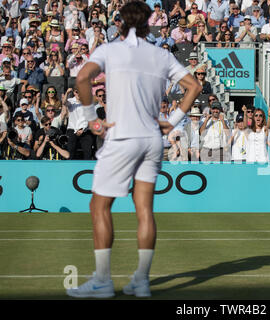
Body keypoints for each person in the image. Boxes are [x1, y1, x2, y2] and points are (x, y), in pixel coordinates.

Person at [66, 1, 202, 298]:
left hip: (122, 138)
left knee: (99, 206)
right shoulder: (161, 55)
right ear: (147, 24)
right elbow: (194, 86)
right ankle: (141, 280)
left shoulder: (109, 50)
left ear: (119, 23)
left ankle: (102, 281)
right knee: (145, 211)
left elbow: (81, 78)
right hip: (152, 140)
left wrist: (92, 121)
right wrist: (172, 121)